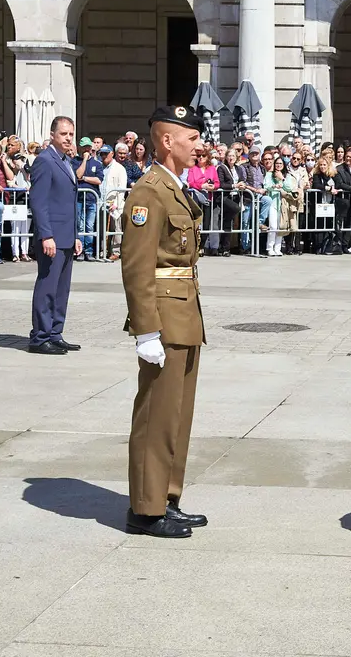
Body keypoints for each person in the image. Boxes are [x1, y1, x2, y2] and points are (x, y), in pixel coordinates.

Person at [120, 105, 208, 539]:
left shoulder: (175, 188)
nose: (199, 145)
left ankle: (167, 498)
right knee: (156, 412)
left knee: (176, 413)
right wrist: (145, 330)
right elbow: (136, 266)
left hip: (185, 311)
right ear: (167, 141)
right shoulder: (148, 192)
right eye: (191, 138)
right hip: (163, 316)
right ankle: (146, 509)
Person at [29, 116, 83, 355]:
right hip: (52, 237)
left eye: (71, 134)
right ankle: (40, 337)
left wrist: (76, 235)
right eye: (64, 134)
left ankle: (54, 332)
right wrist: (46, 235)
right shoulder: (45, 161)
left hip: (66, 236)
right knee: (47, 287)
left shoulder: (65, 161)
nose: (68, 138)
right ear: (52, 135)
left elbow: (68, 203)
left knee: (62, 289)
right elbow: (39, 203)